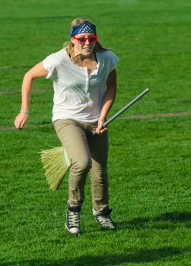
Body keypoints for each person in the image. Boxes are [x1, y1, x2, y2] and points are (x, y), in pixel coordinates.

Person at [14, 18, 119, 235]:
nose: (87, 43)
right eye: (82, 39)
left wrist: (103, 117)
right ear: (73, 40)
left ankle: (102, 212)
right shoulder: (58, 60)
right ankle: (73, 209)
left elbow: (111, 87)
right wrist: (24, 110)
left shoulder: (107, 59)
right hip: (66, 118)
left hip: (96, 120)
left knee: (100, 172)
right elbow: (29, 76)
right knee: (82, 162)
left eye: (92, 39)